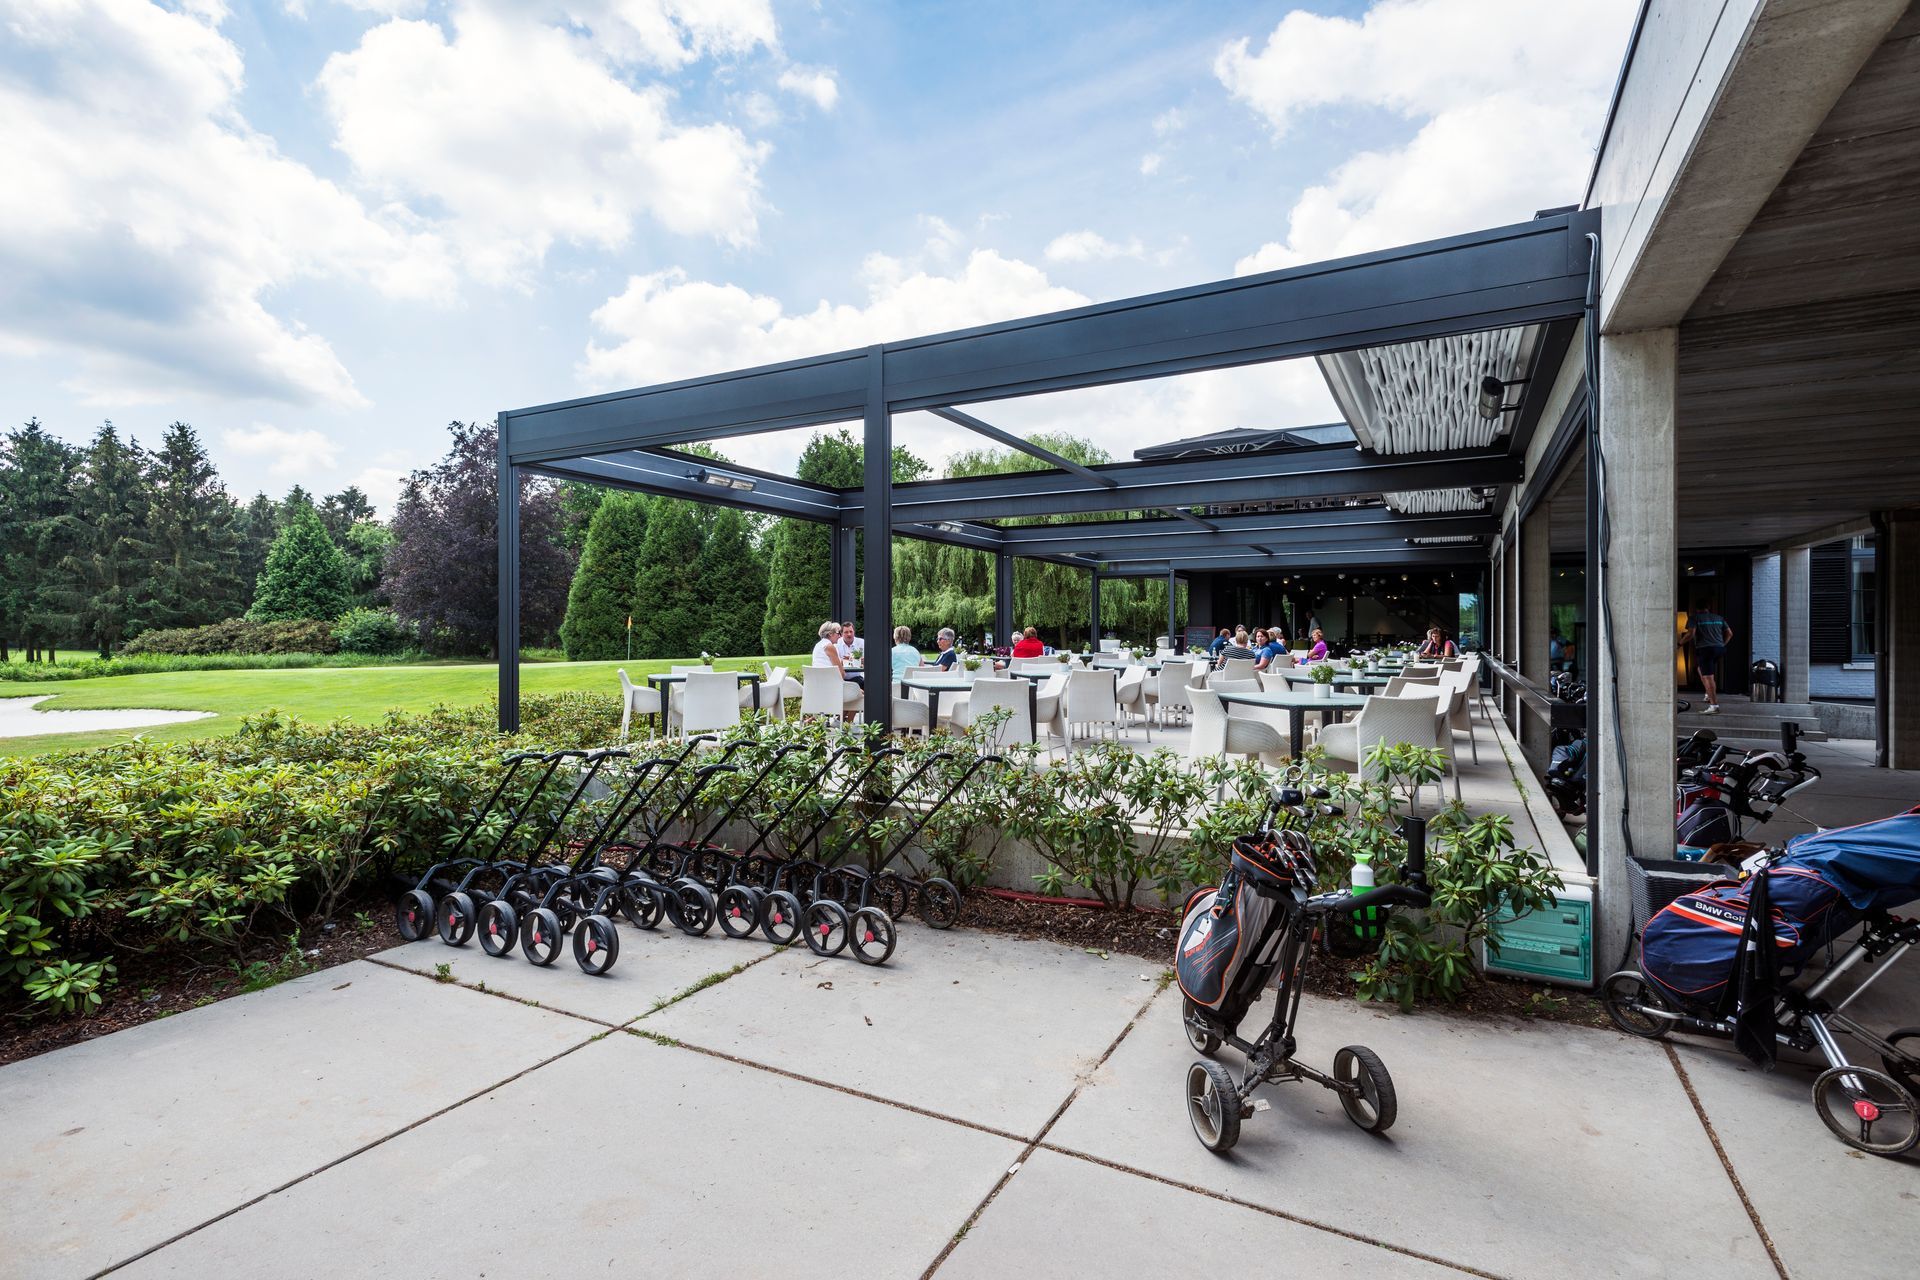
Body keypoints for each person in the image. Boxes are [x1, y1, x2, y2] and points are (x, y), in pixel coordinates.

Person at [1682, 602, 1733, 713]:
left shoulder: (1694, 618)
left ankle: (1714, 706)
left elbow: (1690, 634)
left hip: (1705, 650)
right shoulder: (1719, 618)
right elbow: (1730, 633)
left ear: (1696, 609)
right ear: (1708, 607)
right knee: (1701, 669)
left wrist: (1679, 644)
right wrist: (1722, 644)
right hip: (1720, 649)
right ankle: (1708, 694)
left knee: (1708, 676)